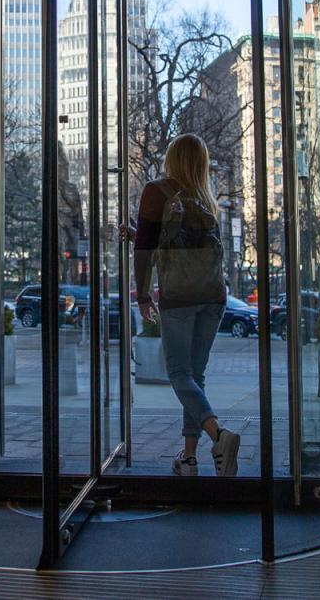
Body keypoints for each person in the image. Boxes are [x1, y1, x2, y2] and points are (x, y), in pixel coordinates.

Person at [133, 134, 241, 477]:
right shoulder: (207, 199)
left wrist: (143, 293)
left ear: (172, 159)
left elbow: (146, 250)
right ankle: (189, 458)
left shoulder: (156, 191)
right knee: (195, 376)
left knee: (179, 374)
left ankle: (218, 435)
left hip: (178, 297)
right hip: (214, 298)